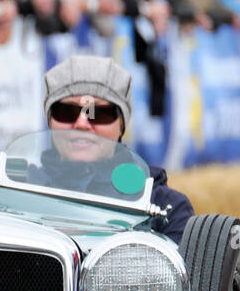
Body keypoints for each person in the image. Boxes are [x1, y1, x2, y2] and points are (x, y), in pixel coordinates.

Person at [41, 54, 194, 243]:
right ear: (50, 120)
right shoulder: (16, 193)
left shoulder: (166, 208)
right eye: (67, 112)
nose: (82, 123)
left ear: (122, 124)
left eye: (97, 113)